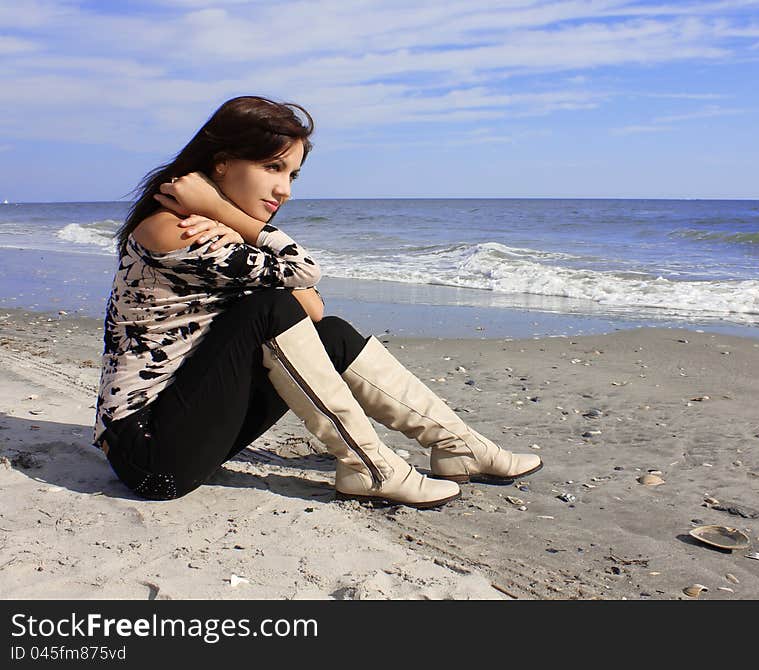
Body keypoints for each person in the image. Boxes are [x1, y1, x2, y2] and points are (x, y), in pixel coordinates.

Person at [94, 95, 542, 509]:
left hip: (189, 424)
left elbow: (314, 311)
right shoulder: (171, 230)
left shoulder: (212, 233)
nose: (284, 189)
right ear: (222, 164)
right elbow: (303, 274)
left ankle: (457, 446)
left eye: (291, 175)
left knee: (327, 334)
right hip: (150, 453)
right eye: (272, 168)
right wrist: (229, 215)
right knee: (269, 308)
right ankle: (371, 468)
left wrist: (235, 227)